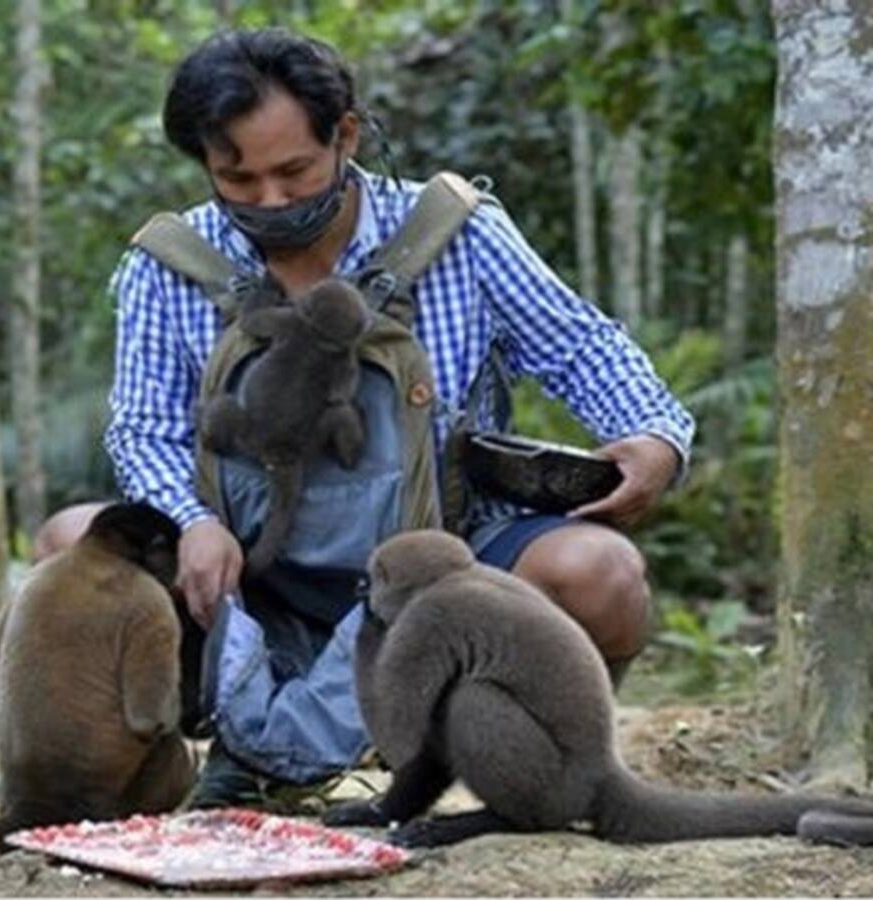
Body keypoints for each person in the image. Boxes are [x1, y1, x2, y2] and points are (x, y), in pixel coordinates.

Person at [35, 27, 694, 808]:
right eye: (236, 179)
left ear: (345, 134)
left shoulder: (458, 232)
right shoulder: (167, 265)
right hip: (244, 565)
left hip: (442, 555)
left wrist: (655, 437)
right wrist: (190, 522)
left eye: (294, 171)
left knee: (602, 574)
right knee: (68, 545)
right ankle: (151, 765)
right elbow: (144, 430)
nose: (271, 201)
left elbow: (580, 347)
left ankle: (505, 753)